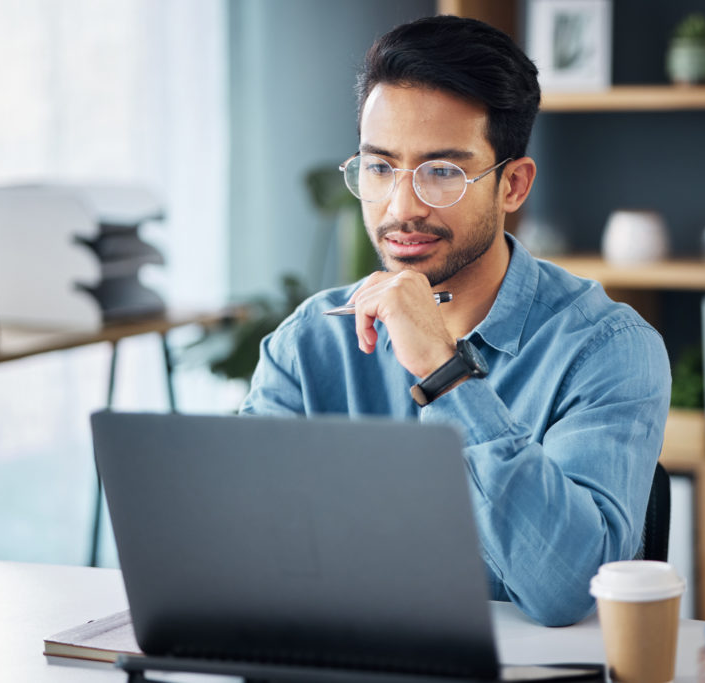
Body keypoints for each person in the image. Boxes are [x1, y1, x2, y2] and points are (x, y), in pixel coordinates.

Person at [241, 15, 670, 627]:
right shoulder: (310, 342)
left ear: (513, 186)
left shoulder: (608, 349)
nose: (402, 206)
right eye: (380, 167)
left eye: (442, 171)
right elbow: (242, 551)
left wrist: (446, 373)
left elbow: (570, 589)